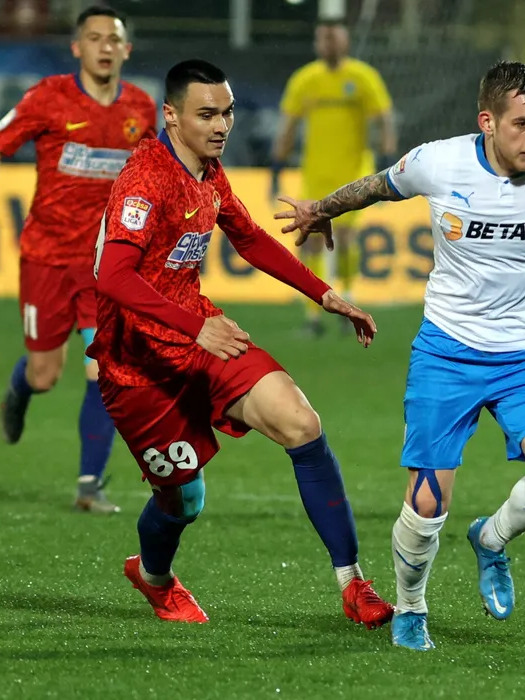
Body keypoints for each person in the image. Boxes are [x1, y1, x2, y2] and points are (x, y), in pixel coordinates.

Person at [275, 61, 525, 650]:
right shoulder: (440, 162)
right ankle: (411, 607)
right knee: (428, 503)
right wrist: (322, 208)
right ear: (487, 121)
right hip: (449, 351)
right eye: (523, 124)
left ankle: (491, 539)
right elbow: (378, 185)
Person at [87, 58, 394, 628]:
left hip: (203, 339)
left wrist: (324, 294)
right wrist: (193, 327)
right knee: (184, 501)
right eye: (207, 115)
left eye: (227, 113)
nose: (222, 125)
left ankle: (353, 584)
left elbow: (249, 238)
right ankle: (154, 576)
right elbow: (114, 277)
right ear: (171, 116)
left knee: (302, 424)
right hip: (138, 366)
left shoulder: (208, 171)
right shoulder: (146, 178)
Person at [0, 5, 157, 514]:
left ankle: (89, 486)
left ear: (126, 49)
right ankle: (19, 389)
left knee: (105, 368)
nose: (104, 46)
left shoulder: (140, 108)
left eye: (113, 38)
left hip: (105, 265)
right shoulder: (48, 97)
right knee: (45, 374)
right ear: (77, 47)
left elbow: (152, 176)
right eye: (94, 38)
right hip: (47, 258)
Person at [272, 17, 396, 337]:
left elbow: (384, 118)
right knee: (310, 239)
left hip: (353, 173)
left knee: (346, 238)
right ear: (317, 43)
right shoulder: (305, 80)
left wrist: (386, 158)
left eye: (334, 38)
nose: (329, 44)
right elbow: (288, 124)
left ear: (345, 41)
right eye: (324, 38)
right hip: (316, 173)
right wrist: (277, 165)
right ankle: (313, 316)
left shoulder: (362, 77)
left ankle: (348, 300)